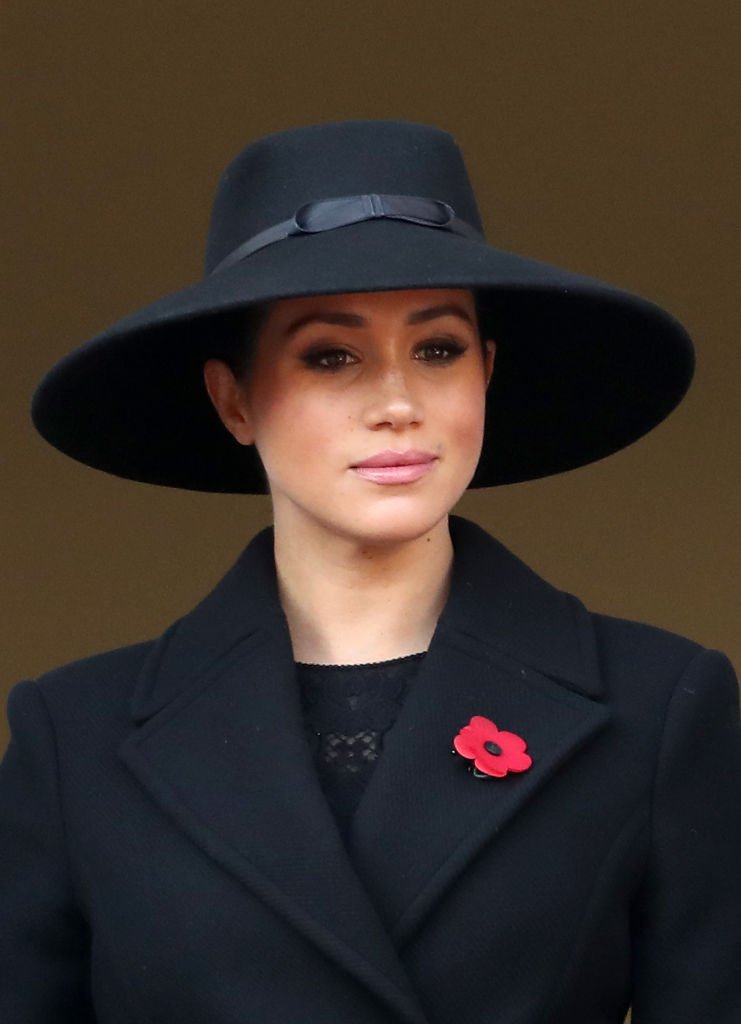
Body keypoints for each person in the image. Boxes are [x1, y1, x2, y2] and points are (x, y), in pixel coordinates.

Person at [1, 120, 739, 1024]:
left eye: (437, 349)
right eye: (329, 355)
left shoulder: (661, 709)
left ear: (486, 372)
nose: (396, 404)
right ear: (233, 399)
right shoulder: (73, 739)